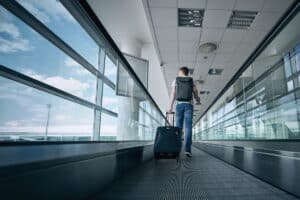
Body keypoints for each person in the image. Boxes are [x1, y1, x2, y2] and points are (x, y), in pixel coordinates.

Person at [168, 66, 200, 157]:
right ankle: (187, 150)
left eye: (179, 72)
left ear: (182, 72)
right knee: (188, 128)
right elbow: (195, 91)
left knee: (178, 128)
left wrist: (170, 106)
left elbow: (173, 94)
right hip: (189, 105)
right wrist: (197, 99)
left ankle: (177, 149)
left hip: (179, 105)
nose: (178, 73)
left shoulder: (176, 80)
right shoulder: (191, 80)